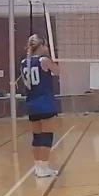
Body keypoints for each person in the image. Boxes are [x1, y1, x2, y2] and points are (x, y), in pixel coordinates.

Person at [21, 35, 61, 178]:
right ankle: (44, 168)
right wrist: (51, 59)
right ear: (42, 46)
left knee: (37, 137)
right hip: (45, 103)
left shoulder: (24, 62)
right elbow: (58, 71)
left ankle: (39, 167)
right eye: (46, 45)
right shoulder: (44, 60)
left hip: (32, 104)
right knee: (46, 137)